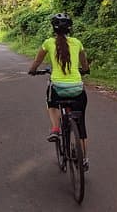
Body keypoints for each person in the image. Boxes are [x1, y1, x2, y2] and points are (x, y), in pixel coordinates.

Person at [28, 13, 90, 171]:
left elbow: (37, 61)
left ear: (53, 28)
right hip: (77, 89)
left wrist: (32, 70)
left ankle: (55, 128)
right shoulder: (77, 43)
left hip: (58, 89)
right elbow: (84, 62)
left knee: (51, 103)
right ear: (70, 28)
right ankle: (84, 160)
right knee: (81, 126)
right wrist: (85, 70)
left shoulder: (48, 43)